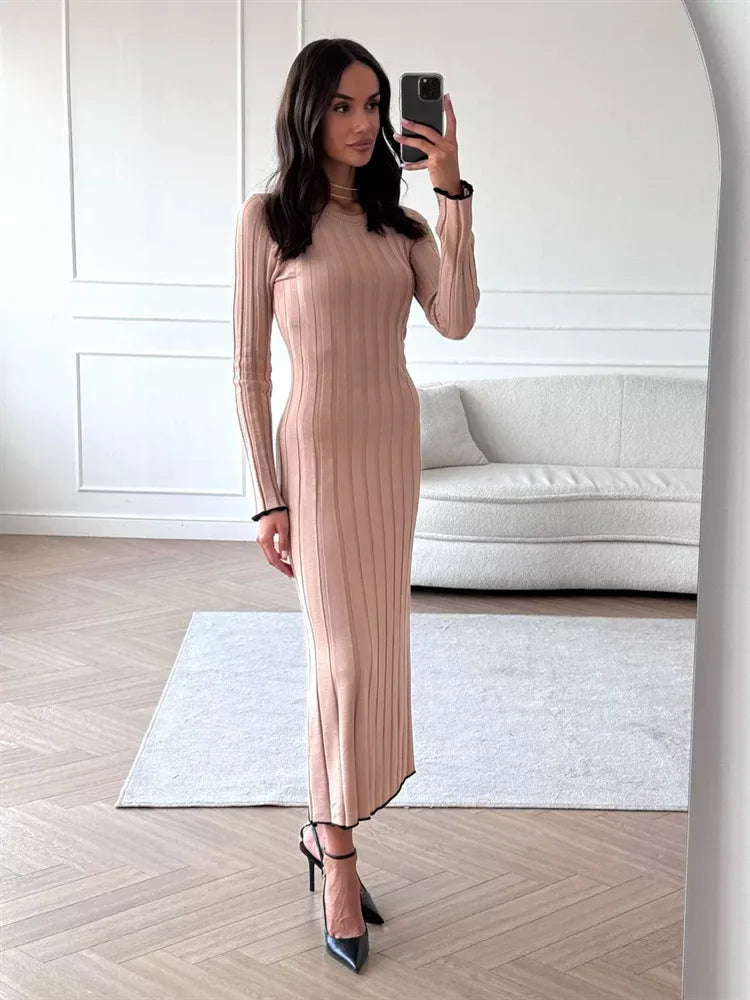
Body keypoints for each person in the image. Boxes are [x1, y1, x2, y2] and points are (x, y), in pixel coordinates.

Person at [232, 37, 479, 974]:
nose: (364, 121)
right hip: (317, 460)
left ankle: (322, 825)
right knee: (337, 658)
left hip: (389, 459)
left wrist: (452, 194)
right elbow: (249, 369)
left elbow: (455, 318)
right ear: (309, 112)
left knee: (372, 654)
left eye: (375, 104)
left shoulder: (402, 224)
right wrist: (268, 497)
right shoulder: (268, 220)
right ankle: (336, 854)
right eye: (343, 104)